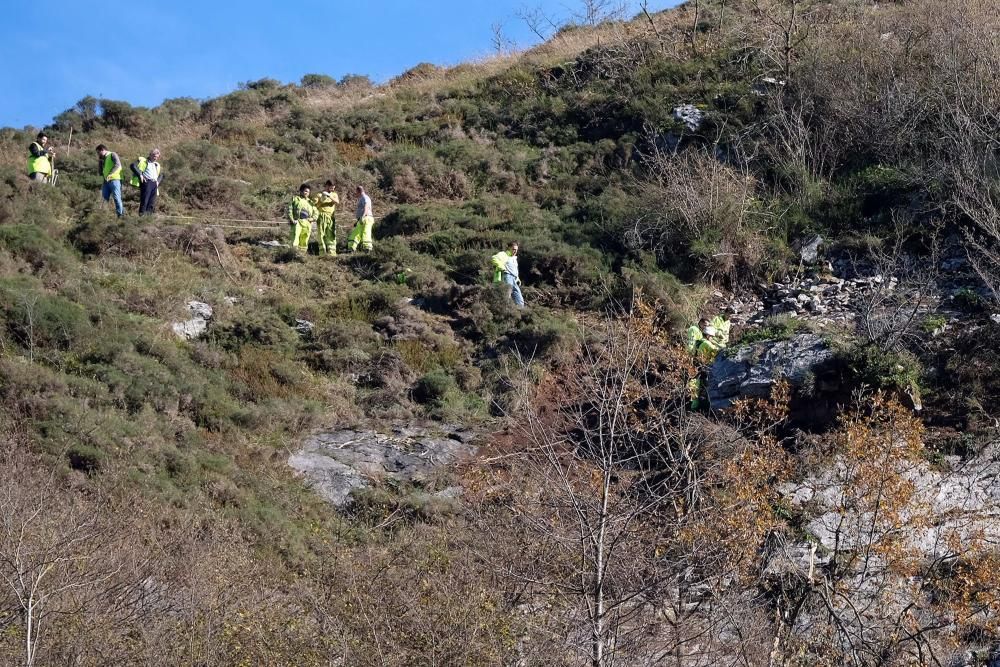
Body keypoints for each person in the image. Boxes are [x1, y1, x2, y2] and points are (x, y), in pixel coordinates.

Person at [685, 315, 731, 409]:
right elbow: (716, 350)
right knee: (698, 385)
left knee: (695, 384)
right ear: (709, 336)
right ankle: (695, 406)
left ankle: (693, 404)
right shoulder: (706, 343)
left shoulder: (700, 341)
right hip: (701, 365)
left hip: (696, 363)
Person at [491, 242, 525, 308]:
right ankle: (505, 311)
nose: (515, 251)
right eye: (514, 249)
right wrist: (502, 267)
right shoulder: (504, 254)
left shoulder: (514, 258)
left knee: (519, 297)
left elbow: (514, 270)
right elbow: (494, 258)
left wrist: (517, 278)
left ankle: (521, 312)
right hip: (507, 276)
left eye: (516, 250)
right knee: (507, 295)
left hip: (514, 279)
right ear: (509, 248)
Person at [130, 149, 163, 215]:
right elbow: (132, 165)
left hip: (154, 183)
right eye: (154, 156)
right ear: (150, 154)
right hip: (147, 182)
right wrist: (140, 175)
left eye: (157, 157)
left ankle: (148, 218)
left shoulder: (156, 164)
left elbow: (161, 175)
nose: (155, 158)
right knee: (145, 200)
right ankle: (141, 216)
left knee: (151, 202)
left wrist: (158, 181)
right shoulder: (143, 161)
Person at [287, 183, 317, 252]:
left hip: (307, 223)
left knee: (305, 239)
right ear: (301, 191)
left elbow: (316, 212)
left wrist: (312, 219)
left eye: (308, 192)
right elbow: (290, 210)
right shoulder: (295, 199)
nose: (307, 193)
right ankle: (294, 254)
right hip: (297, 222)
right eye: (305, 191)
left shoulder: (310, 202)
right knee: (295, 238)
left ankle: (302, 255)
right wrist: (292, 219)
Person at [312, 180, 340, 256]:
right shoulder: (319, 195)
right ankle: (322, 253)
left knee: (331, 234)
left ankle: (332, 253)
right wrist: (321, 200)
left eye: (333, 188)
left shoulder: (334, 194)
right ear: (327, 186)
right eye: (331, 188)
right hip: (321, 216)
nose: (332, 189)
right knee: (321, 234)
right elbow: (314, 206)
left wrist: (329, 196)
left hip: (331, 216)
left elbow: (337, 202)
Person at [96, 144, 124, 217]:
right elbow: (100, 172)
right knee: (104, 198)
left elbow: (118, 165)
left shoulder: (113, 154)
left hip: (115, 180)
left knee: (117, 198)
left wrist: (110, 174)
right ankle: (104, 216)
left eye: (99, 152)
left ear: (103, 150)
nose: (98, 154)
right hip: (106, 181)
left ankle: (120, 216)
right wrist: (99, 162)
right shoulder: (103, 158)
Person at [347, 186, 375, 252]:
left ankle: (367, 249)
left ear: (359, 191)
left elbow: (366, 206)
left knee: (366, 233)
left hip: (366, 218)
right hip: (362, 219)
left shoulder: (365, 197)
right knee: (356, 233)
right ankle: (351, 248)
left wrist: (363, 217)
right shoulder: (361, 198)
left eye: (356, 192)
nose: (356, 194)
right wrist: (358, 221)